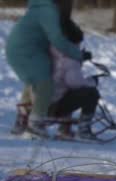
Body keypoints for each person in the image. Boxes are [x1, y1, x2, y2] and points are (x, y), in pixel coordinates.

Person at [5, 0, 88, 137]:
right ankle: (35, 125)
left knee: (33, 82)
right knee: (45, 85)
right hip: (28, 51)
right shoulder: (48, 10)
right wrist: (77, 54)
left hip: (19, 49)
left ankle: (22, 121)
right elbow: (57, 39)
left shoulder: (39, 7)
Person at [47, 16, 99, 140]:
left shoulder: (51, 51)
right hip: (53, 105)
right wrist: (92, 81)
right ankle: (84, 129)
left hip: (41, 102)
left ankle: (65, 129)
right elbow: (75, 82)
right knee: (91, 94)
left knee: (66, 91)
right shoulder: (70, 58)